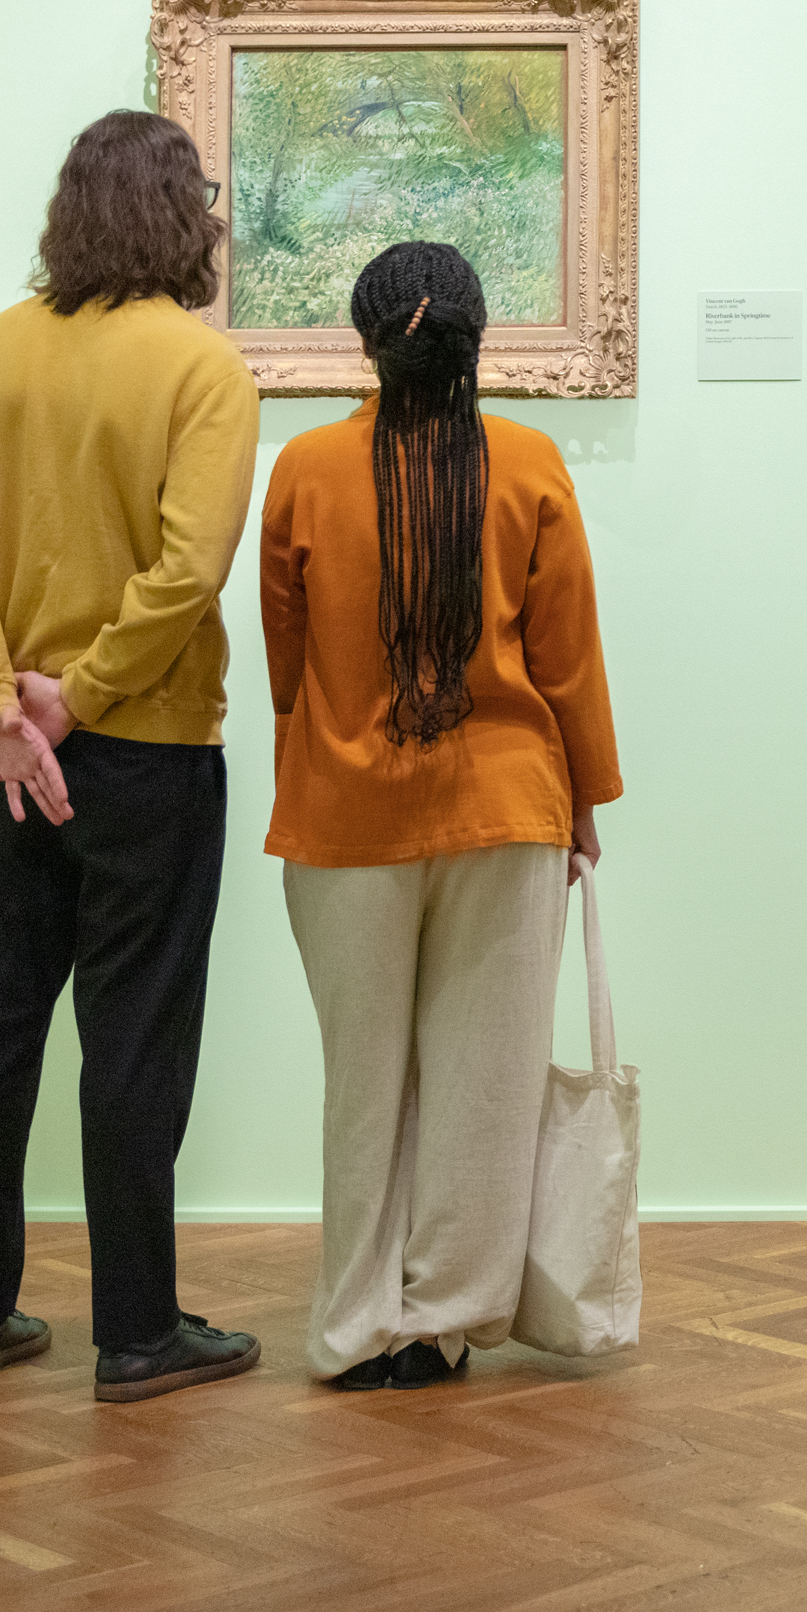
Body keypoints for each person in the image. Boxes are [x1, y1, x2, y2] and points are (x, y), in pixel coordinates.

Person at [0, 109, 264, 1401]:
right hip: (144, 757)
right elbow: (187, 573)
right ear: (187, 219)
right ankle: (136, 1333)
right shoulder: (203, 369)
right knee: (134, 1043)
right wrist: (75, 702)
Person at [260, 241, 621, 1392]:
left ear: (365, 343)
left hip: (346, 809)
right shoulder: (529, 463)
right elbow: (568, 663)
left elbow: (286, 660)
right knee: (486, 1083)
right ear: (478, 341)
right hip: (509, 804)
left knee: (363, 1084)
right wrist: (588, 801)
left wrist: (324, 743)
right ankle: (445, 1321)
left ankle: (353, 1323)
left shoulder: (307, 470)